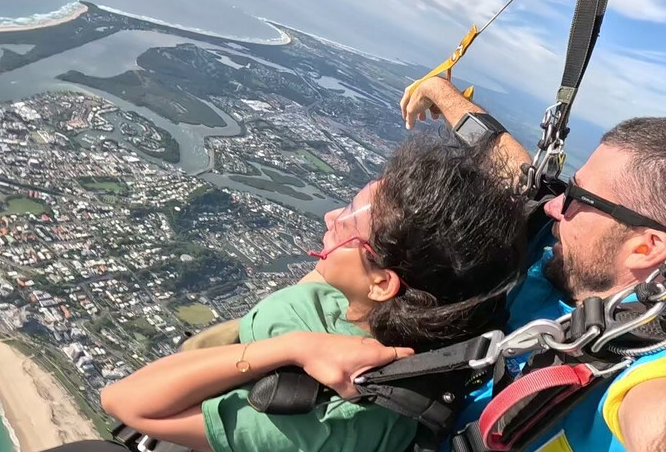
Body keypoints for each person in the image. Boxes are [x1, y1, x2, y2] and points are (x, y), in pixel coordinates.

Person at [392, 75, 666, 452]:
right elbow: (515, 171)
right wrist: (440, 91)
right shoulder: (572, 259)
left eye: (579, 197)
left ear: (645, 247)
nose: (554, 206)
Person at [88, 135, 527, 452]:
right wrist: (446, 99)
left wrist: (295, 347)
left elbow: (125, 402)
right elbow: (517, 173)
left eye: (350, 221)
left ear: (382, 282)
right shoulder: (378, 307)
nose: (333, 215)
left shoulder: (332, 422)